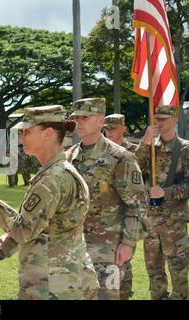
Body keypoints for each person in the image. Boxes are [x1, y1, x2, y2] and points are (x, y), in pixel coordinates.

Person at [0, 105, 99, 300]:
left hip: (52, 286)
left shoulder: (52, 179)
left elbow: (23, 230)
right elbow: (33, 226)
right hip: (64, 280)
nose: (22, 137)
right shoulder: (57, 171)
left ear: (48, 134)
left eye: (27, 132)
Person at [66, 98, 148, 300]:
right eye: (76, 118)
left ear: (101, 121)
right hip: (73, 248)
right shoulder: (68, 157)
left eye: (85, 117)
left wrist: (128, 243)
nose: (79, 122)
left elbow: (137, 204)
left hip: (108, 250)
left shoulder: (120, 157)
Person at [136, 105, 188, 300]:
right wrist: (144, 142)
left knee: (178, 268)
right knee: (153, 268)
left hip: (174, 221)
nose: (160, 122)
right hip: (151, 219)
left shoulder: (185, 149)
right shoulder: (150, 147)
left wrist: (164, 192)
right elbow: (133, 170)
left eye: (165, 118)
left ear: (175, 120)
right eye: (157, 118)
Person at [104, 113, 138, 300]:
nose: (109, 132)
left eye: (114, 128)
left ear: (124, 128)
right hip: (104, 223)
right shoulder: (102, 151)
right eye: (107, 128)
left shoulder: (132, 150)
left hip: (126, 217)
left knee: (123, 266)